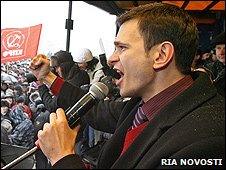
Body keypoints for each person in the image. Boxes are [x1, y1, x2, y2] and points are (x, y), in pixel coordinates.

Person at [30, 3, 224, 169]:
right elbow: (95, 110)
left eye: (121, 48)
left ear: (161, 55)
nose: (112, 59)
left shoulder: (207, 141)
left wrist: (64, 159)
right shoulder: (140, 106)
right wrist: (47, 77)